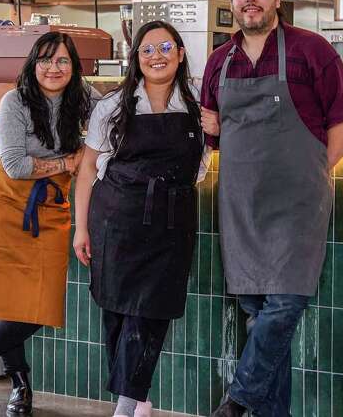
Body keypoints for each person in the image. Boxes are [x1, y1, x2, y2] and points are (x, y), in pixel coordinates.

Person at [200, 0, 343, 417]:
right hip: (242, 203)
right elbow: (212, 130)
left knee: (285, 304)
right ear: (232, 2)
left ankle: (237, 401)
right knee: (257, 311)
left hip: (297, 204)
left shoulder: (312, 50)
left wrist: (314, 170)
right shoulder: (219, 62)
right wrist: (208, 124)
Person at [0, 31, 93, 416]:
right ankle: (21, 387)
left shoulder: (85, 99)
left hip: (50, 206)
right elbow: (15, 164)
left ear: (75, 66)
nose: (54, 68)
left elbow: (117, 121)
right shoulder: (14, 102)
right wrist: (67, 162)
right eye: (45, 59)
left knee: (40, 301)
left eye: (62, 60)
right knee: (4, 300)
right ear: (32, 63)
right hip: (3, 206)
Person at [72, 21, 209, 417]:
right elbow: (87, 171)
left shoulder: (199, 105)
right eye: (147, 50)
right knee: (117, 312)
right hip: (117, 218)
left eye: (166, 47)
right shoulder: (112, 106)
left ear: (181, 54)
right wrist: (81, 228)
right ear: (136, 59)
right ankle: (137, 401)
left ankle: (125, 407)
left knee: (149, 314)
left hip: (172, 222)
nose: (157, 56)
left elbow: (200, 166)